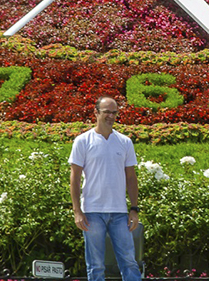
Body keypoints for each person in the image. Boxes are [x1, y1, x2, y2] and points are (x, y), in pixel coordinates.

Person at [68, 97, 142, 281]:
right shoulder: (82, 141)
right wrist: (77, 211)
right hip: (92, 212)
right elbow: (74, 179)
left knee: (129, 262)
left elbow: (131, 178)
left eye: (114, 112)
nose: (111, 116)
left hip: (119, 213)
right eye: (106, 112)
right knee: (95, 266)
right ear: (96, 113)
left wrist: (134, 209)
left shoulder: (125, 142)